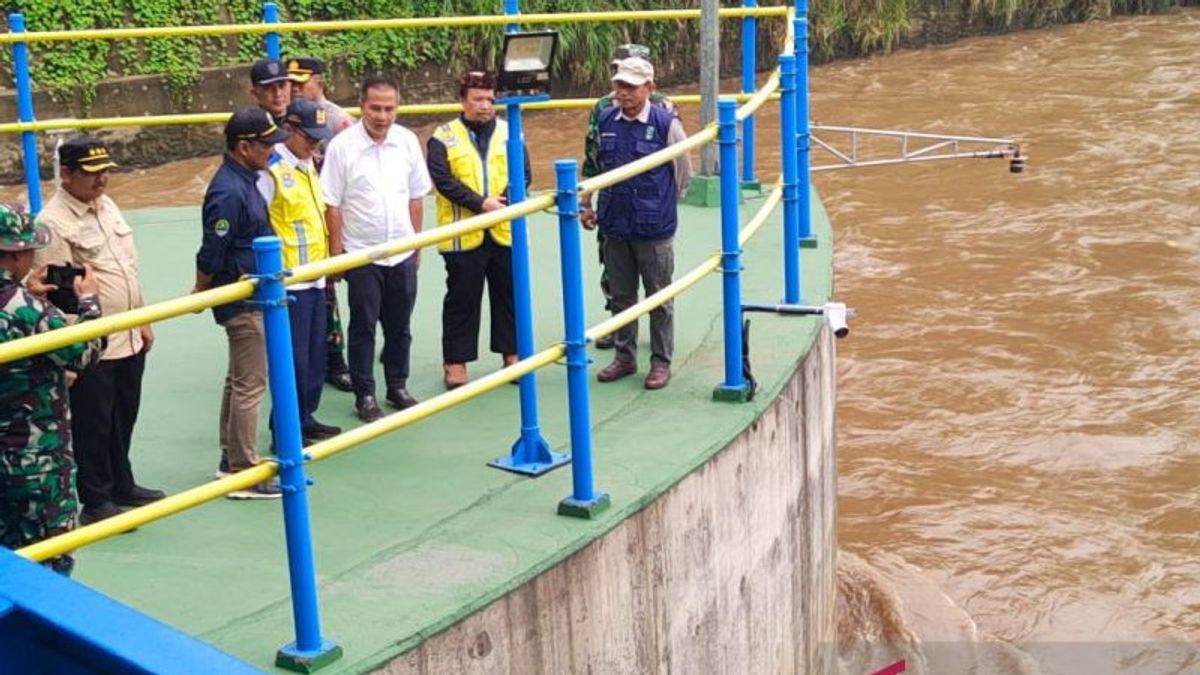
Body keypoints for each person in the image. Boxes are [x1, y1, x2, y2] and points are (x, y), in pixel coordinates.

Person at [33, 138, 165, 526]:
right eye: (91, 173)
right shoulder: (52, 223)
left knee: (124, 414)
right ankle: (95, 498)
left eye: (104, 170)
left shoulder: (106, 205)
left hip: (126, 333)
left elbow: (126, 267)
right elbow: (55, 294)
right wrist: (72, 352)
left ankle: (122, 483)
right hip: (91, 342)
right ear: (68, 175)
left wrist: (142, 317)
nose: (101, 179)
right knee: (93, 422)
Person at [0, 202, 104, 575]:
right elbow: (84, 354)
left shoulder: (25, 304)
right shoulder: (29, 311)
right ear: (13, 254)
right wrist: (89, 303)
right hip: (34, 460)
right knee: (49, 561)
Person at [321, 74, 430, 422]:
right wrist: (337, 254)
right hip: (362, 252)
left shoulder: (408, 142)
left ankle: (397, 385)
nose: (382, 116)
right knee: (363, 326)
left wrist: (417, 242)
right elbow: (332, 203)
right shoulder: (342, 147)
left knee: (400, 325)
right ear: (361, 107)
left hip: (402, 248)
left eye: (389, 108)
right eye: (375, 108)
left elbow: (416, 195)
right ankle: (364, 394)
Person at [580, 57, 691, 390]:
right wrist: (587, 202)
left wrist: (663, 205)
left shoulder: (665, 124)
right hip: (614, 224)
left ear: (650, 88)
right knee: (621, 296)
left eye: (631, 86)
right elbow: (597, 166)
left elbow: (682, 171)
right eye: (619, 85)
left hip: (653, 227)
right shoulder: (605, 118)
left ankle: (660, 362)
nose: (623, 93)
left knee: (658, 297)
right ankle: (624, 357)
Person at [195, 108, 285, 499]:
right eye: (265, 145)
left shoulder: (244, 180)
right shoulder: (229, 191)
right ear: (243, 146)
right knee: (251, 383)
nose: (271, 151)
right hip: (242, 299)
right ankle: (244, 470)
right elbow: (212, 250)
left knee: (238, 381)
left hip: (251, 295)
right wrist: (201, 290)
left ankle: (230, 459)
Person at [426, 70, 531, 390]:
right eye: (477, 99)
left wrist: (506, 201)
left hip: (503, 230)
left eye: (489, 99)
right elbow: (443, 182)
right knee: (462, 297)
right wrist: (480, 204)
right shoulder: (442, 137)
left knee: (508, 293)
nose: (485, 106)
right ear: (463, 101)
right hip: (463, 233)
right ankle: (456, 362)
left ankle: (512, 354)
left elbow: (524, 174)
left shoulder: (510, 132)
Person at [257, 99, 341, 445]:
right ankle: (285, 430)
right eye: (309, 138)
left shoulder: (308, 164)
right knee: (293, 361)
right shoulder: (271, 169)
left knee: (315, 358)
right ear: (289, 130)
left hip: (316, 276)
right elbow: (260, 221)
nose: (314, 145)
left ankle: (305, 417)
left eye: (319, 139)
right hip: (291, 280)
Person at [287, 56, 355, 393]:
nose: (296, 88)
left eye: (303, 82)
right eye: (292, 83)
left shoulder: (338, 121)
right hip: (295, 219)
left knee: (329, 294)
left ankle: (335, 359)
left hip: (327, 212)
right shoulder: (284, 119)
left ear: (320, 82)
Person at [249, 58, 293, 123]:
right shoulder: (250, 127)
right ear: (255, 93)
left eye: (282, 86)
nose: (278, 94)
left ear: (290, 86)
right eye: (268, 88)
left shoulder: (305, 121)